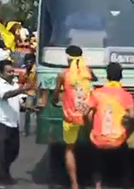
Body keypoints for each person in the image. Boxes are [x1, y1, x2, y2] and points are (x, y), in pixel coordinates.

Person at [52, 45, 97, 189]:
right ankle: (96, 182)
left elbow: (56, 93)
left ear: (68, 57)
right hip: (86, 116)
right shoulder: (88, 71)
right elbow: (94, 79)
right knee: (93, 147)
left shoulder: (63, 75)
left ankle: (74, 184)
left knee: (70, 149)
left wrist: (55, 99)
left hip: (70, 117)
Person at [85, 62, 134, 189]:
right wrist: (128, 132)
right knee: (125, 162)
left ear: (107, 76)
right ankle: (124, 183)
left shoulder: (97, 93)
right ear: (121, 77)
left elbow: (86, 112)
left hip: (99, 139)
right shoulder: (126, 95)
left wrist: (91, 127)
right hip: (117, 140)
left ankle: (98, 185)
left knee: (96, 161)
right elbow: (133, 117)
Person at [0, 60, 33, 189]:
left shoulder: (14, 85)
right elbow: (6, 96)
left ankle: (5, 173)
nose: (11, 73)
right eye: (8, 71)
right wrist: (22, 89)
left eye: (12, 71)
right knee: (1, 152)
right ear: (1, 73)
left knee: (13, 151)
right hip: (0, 122)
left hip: (13, 123)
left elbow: (20, 103)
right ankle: (0, 180)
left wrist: (31, 108)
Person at [17, 53, 37, 135]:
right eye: (27, 62)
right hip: (29, 93)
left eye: (30, 62)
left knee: (38, 112)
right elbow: (21, 83)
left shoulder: (36, 71)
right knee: (27, 111)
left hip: (37, 93)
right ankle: (26, 129)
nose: (28, 64)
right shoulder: (24, 72)